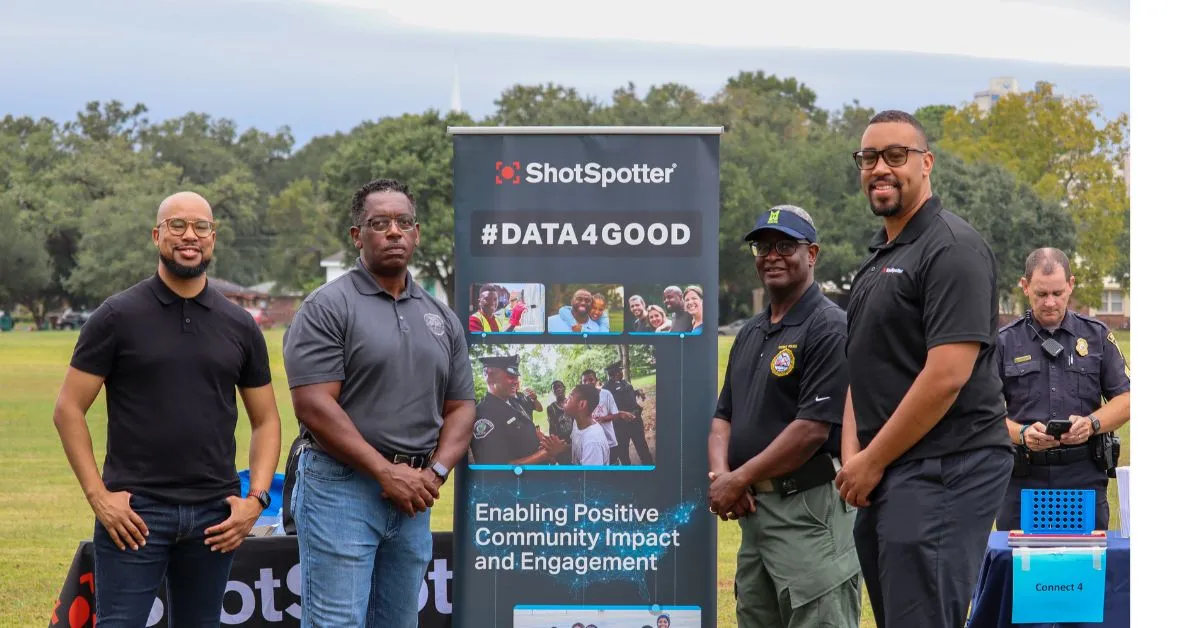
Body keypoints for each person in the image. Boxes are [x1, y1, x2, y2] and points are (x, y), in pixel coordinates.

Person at [53, 191, 282, 627]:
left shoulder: (239, 326)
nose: (189, 236)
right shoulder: (117, 316)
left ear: (214, 238)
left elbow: (267, 419)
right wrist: (99, 497)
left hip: (216, 515)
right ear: (157, 235)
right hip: (135, 513)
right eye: (177, 226)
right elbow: (68, 410)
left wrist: (256, 500)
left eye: (201, 227)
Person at [836, 110, 1013, 628]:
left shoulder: (952, 249)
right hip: (887, 471)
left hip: (946, 468)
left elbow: (946, 377)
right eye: (869, 158)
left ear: (926, 163)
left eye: (896, 155)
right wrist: (856, 459)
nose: (880, 168)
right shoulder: (883, 257)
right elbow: (861, 368)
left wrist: (871, 461)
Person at [282, 179, 476, 627]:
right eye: (379, 223)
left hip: (413, 496)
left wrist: (434, 473)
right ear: (357, 235)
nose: (394, 232)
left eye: (403, 222)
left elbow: (462, 407)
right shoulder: (327, 306)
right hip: (341, 487)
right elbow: (313, 405)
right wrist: (384, 472)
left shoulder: (440, 315)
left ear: (417, 233)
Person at [709, 205, 860, 627]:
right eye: (763, 246)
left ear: (811, 254)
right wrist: (723, 476)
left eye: (785, 245)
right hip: (755, 512)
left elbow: (811, 430)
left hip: (807, 510)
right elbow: (723, 417)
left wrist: (736, 479)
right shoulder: (751, 332)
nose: (771, 255)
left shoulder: (828, 327)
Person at [995, 247, 1130, 530]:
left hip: (1083, 476)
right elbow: (979, 412)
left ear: (1071, 284)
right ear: (1024, 286)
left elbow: (1127, 398)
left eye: (1058, 293)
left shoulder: (1097, 336)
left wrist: (1092, 424)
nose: (1050, 302)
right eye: (1041, 294)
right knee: (1021, 569)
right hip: (1022, 479)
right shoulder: (1004, 342)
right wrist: (1020, 433)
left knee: (1085, 567)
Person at [469, 355, 567, 465]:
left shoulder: (514, 402)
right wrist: (545, 454)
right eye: (510, 376)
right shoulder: (484, 414)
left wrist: (548, 442)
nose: (516, 381)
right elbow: (494, 469)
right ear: (490, 376)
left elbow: (526, 429)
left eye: (516, 376)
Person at [605, 362, 653, 466]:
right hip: (621, 425)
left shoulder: (624, 382)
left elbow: (626, 394)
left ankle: (649, 468)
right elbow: (607, 407)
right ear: (616, 373)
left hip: (635, 421)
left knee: (642, 447)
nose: (622, 372)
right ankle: (627, 474)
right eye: (620, 371)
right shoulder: (607, 389)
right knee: (623, 452)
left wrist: (637, 392)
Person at [564, 384, 610, 465]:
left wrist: (559, 454)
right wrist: (561, 449)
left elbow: (589, 477)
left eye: (569, 398)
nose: (565, 400)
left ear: (582, 404)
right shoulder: (577, 422)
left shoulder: (592, 442)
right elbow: (578, 447)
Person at [545, 381, 573, 465]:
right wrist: (553, 447)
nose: (558, 390)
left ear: (564, 388)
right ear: (553, 392)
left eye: (560, 387)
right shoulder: (551, 408)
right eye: (555, 388)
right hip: (561, 442)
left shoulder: (571, 403)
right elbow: (552, 428)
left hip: (574, 439)